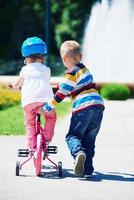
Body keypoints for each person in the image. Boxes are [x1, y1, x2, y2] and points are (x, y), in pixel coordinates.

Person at [41, 40, 104, 178]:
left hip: (83, 108)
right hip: (98, 107)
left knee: (73, 136)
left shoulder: (71, 73)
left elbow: (62, 93)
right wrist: (60, 84)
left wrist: (47, 108)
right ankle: (87, 171)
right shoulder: (84, 70)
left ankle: (78, 153)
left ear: (64, 59)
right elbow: (72, 85)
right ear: (80, 57)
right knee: (89, 141)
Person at [10, 37, 56, 149]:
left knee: (30, 123)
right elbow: (45, 81)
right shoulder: (47, 69)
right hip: (46, 101)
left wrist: (13, 85)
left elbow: (18, 83)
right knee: (51, 118)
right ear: (42, 57)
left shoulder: (25, 70)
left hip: (29, 101)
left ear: (26, 58)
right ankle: (46, 139)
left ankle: (31, 146)